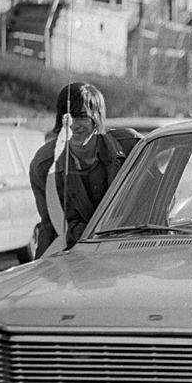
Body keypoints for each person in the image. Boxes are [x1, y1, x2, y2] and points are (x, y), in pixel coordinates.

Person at [29, 82, 141, 257]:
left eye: (81, 116)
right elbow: (51, 227)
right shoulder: (45, 165)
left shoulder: (130, 148)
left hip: (128, 251)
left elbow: (155, 203)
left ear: (96, 117)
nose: (73, 125)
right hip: (76, 258)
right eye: (67, 117)